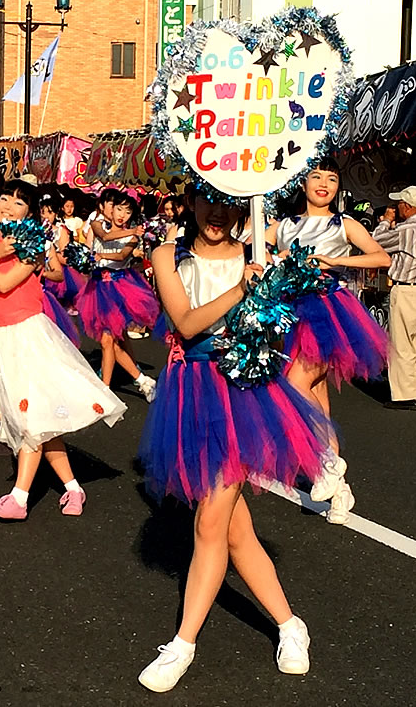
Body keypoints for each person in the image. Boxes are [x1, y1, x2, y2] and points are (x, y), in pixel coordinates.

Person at [136, 188, 332, 693]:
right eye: (207, 199)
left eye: (228, 202)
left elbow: (285, 334)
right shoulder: (167, 255)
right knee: (235, 533)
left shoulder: (260, 256)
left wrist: (274, 294)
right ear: (190, 201)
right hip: (190, 395)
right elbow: (186, 323)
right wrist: (243, 290)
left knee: (210, 521)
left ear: (245, 206)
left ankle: (182, 643)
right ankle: (290, 625)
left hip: (242, 398)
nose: (217, 212)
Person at [0, 179, 126, 519]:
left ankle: (19, 498)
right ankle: (74, 488)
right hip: (1, 336)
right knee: (40, 418)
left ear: (29, 213)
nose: (8, 205)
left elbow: (3, 283)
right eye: (6, 198)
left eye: (19, 202)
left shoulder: (33, 243)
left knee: (29, 419)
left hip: (27, 335)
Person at [276, 159, 390, 525]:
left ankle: (327, 464)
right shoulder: (282, 225)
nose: (323, 183)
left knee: (295, 383)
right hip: (290, 314)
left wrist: (333, 260)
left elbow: (382, 257)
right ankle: (339, 489)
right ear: (303, 182)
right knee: (318, 399)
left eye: (331, 178)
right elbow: (245, 248)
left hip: (329, 313)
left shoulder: (344, 223)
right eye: (316, 176)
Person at [76, 191, 159, 400]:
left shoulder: (133, 237)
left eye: (128, 211)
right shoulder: (98, 224)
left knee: (108, 341)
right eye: (119, 208)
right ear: (110, 209)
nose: (122, 214)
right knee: (111, 342)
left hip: (119, 289)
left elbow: (122, 255)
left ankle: (106, 389)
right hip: (97, 288)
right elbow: (103, 237)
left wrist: (103, 254)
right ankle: (140, 380)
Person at [373, 186, 416, 410]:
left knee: (402, 344)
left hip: (408, 289)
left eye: (399, 204)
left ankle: (406, 396)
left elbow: (376, 242)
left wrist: (385, 221)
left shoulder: (404, 231)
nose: (397, 208)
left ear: (407, 206)